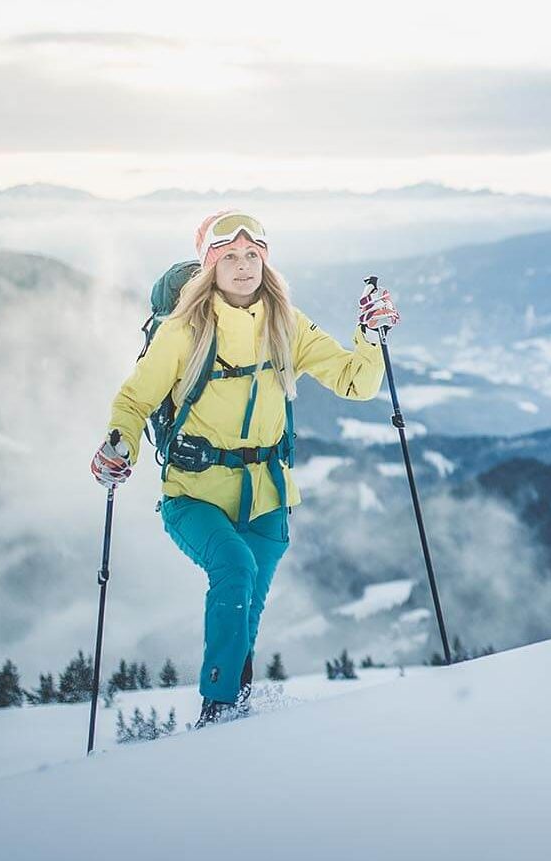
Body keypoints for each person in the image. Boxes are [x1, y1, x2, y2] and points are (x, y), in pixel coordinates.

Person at [91, 210, 402, 725]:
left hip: (267, 494)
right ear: (209, 265)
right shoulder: (182, 330)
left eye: (252, 255)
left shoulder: (287, 324)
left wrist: (368, 336)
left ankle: (237, 713)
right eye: (229, 256)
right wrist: (118, 446)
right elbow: (134, 399)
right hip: (193, 493)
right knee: (234, 570)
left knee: (248, 608)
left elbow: (356, 382)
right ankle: (219, 710)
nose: (242, 267)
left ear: (265, 261)